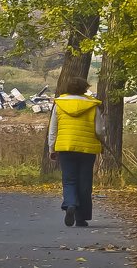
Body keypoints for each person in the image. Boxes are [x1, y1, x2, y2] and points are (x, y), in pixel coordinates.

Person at [47, 77, 104, 227]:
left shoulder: (59, 104)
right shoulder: (93, 105)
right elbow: (99, 130)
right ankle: (81, 218)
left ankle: (71, 204)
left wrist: (51, 148)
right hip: (87, 148)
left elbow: (53, 129)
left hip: (66, 147)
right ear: (85, 89)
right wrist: (101, 142)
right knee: (85, 182)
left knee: (69, 180)